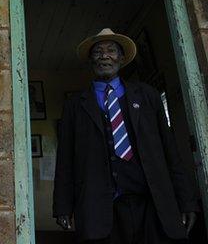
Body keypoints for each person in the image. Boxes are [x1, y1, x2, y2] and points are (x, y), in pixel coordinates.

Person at [53, 28, 199, 243]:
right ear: (90, 60)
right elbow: (65, 160)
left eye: (111, 50)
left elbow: (170, 152)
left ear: (121, 58)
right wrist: (63, 206)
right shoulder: (75, 105)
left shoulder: (148, 96)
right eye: (98, 52)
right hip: (101, 209)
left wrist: (186, 201)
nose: (104, 56)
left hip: (153, 204)